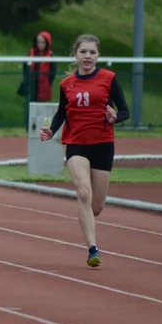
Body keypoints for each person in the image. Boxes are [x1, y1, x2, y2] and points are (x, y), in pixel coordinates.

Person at [39, 34, 130, 267]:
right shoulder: (66, 84)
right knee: (83, 193)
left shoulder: (109, 79)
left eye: (92, 52)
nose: (87, 56)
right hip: (76, 144)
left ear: (98, 55)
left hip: (102, 144)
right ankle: (92, 249)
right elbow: (62, 111)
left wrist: (114, 117)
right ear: (75, 55)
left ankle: (90, 225)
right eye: (83, 52)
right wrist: (51, 130)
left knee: (96, 207)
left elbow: (125, 111)